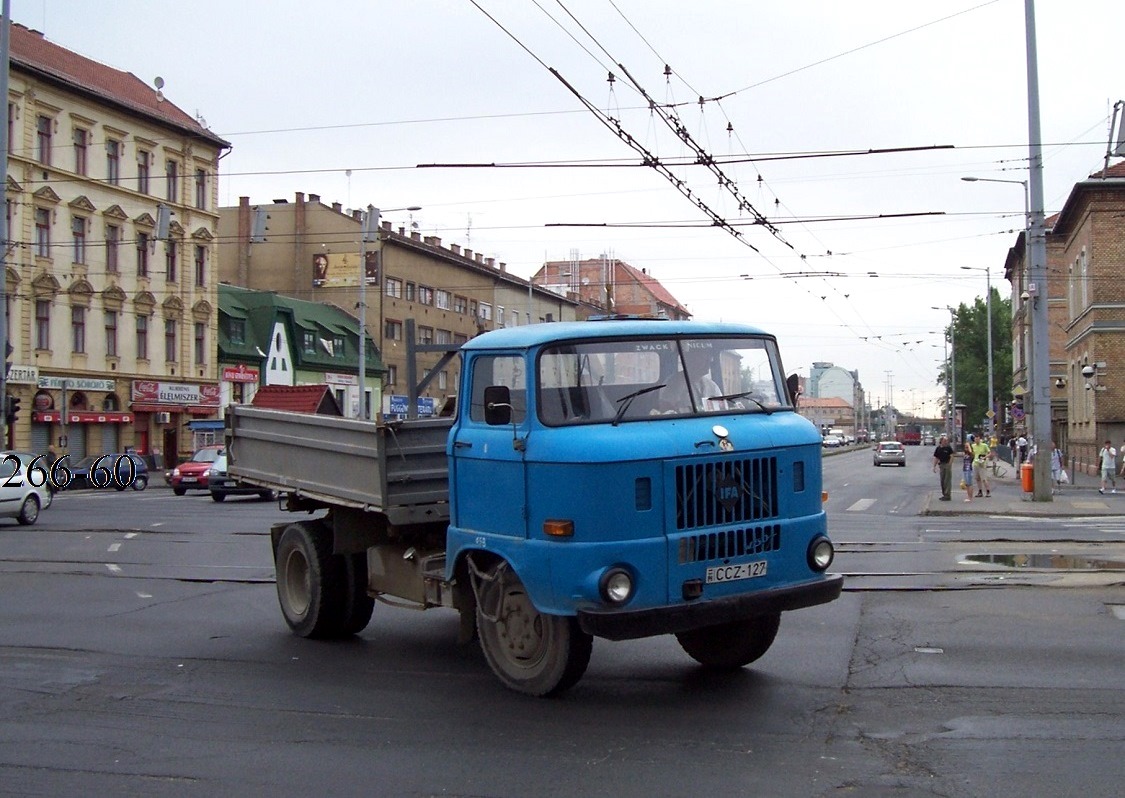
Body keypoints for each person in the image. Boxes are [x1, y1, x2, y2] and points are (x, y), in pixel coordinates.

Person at [931, 434, 954, 501]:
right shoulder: (938, 448)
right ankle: (944, 494)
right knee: (942, 480)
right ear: (941, 441)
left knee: (947, 480)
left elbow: (952, 456)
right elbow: (936, 457)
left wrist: (950, 464)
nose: (945, 442)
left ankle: (947, 495)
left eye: (946, 441)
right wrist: (934, 466)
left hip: (947, 464)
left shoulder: (948, 448)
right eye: (944, 441)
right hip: (941, 465)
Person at [969, 433, 992, 498]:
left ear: (980, 439)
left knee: (984, 478)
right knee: (977, 478)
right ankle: (980, 491)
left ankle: (988, 491)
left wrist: (985, 457)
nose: (977, 440)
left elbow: (989, 453)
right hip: (975, 463)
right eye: (975, 439)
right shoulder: (973, 446)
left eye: (978, 439)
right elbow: (972, 453)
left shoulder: (984, 445)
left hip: (982, 464)